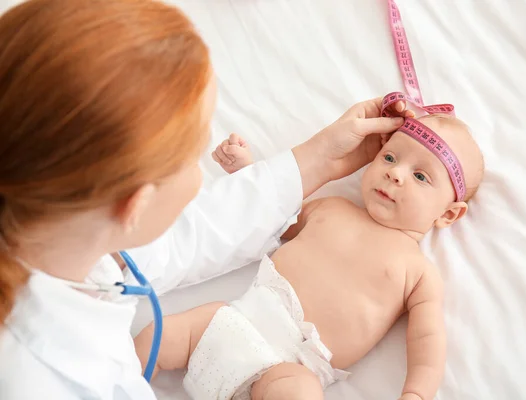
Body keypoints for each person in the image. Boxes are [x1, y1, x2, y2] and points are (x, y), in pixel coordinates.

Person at [0, 0, 409, 398]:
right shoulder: (35, 380)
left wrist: (321, 159)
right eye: (193, 155)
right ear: (134, 206)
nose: (202, 173)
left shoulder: (59, 231)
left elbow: (188, 234)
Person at [134, 111, 485, 400]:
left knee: (301, 393)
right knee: (154, 336)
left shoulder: (419, 273)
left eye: (420, 176)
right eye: (390, 157)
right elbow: (275, 219)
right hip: (227, 322)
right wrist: (247, 173)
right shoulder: (331, 208)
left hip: (287, 368)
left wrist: (416, 393)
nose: (395, 172)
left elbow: (427, 340)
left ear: (448, 214)